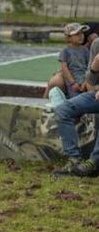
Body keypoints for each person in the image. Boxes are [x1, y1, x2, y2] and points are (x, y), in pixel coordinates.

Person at [54, 36, 99, 177]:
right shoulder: (97, 44)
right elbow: (90, 82)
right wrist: (94, 68)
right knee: (63, 110)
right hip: (96, 94)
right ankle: (74, 159)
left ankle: (94, 162)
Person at [45, 23, 89, 103]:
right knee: (75, 100)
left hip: (85, 80)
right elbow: (64, 68)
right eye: (77, 34)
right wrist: (73, 83)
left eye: (82, 33)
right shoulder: (65, 51)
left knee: (86, 99)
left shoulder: (85, 50)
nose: (81, 36)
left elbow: (89, 66)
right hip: (73, 80)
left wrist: (86, 81)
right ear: (69, 38)